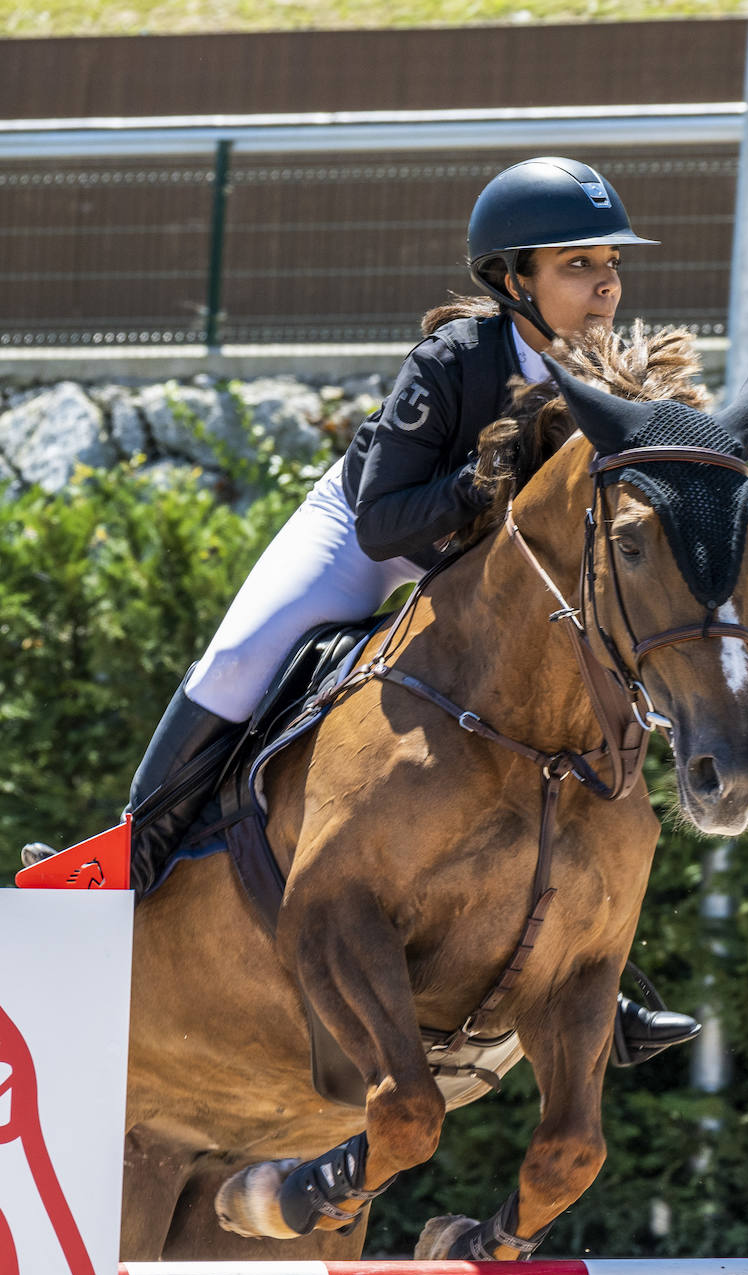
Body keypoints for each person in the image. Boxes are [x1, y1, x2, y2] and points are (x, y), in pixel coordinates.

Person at [25, 156, 700, 1065]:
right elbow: (387, 521)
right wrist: (482, 481)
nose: (605, 283)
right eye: (577, 264)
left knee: (583, 706)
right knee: (241, 658)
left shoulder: (610, 379)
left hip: (487, 573)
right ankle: (131, 851)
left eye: (610, 264)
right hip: (370, 533)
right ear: (513, 280)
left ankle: (600, 976)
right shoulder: (454, 360)